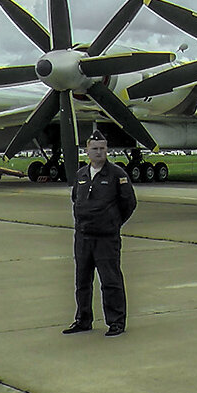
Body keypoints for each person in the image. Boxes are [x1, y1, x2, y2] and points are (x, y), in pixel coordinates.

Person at [64, 130, 137, 337]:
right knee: (82, 281)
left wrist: (113, 223)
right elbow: (75, 200)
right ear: (87, 150)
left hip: (106, 238)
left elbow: (129, 204)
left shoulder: (117, 174)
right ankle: (83, 319)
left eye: (102, 149)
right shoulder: (81, 175)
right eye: (94, 149)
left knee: (110, 281)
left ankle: (116, 322)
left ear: (107, 150)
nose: (98, 152)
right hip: (83, 237)